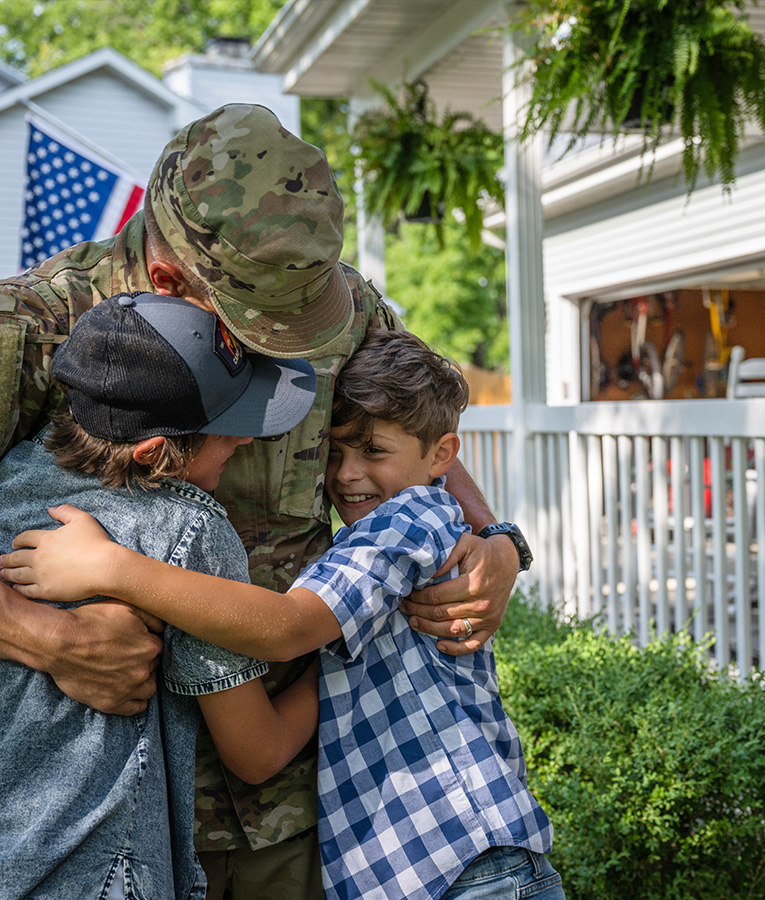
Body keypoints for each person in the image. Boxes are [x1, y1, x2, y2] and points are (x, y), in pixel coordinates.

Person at [0, 103, 527, 899]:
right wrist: (38, 633)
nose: (295, 339)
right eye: (265, 332)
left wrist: (496, 541)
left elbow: (419, 434)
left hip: (305, 788)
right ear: (173, 280)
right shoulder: (37, 326)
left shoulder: (324, 299)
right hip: (107, 806)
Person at [3, 329, 562, 900]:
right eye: (334, 452)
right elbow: (259, 752)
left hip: (469, 861)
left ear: (441, 456)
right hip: (414, 866)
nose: (345, 475)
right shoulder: (363, 543)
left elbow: (288, 628)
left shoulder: (414, 518)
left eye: (374, 451)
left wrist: (111, 568)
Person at [0, 292, 322, 900]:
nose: (246, 443)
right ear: (156, 453)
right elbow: (256, 752)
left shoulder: (12, 473)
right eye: (229, 429)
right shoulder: (189, 530)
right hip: (101, 875)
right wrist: (341, 670)